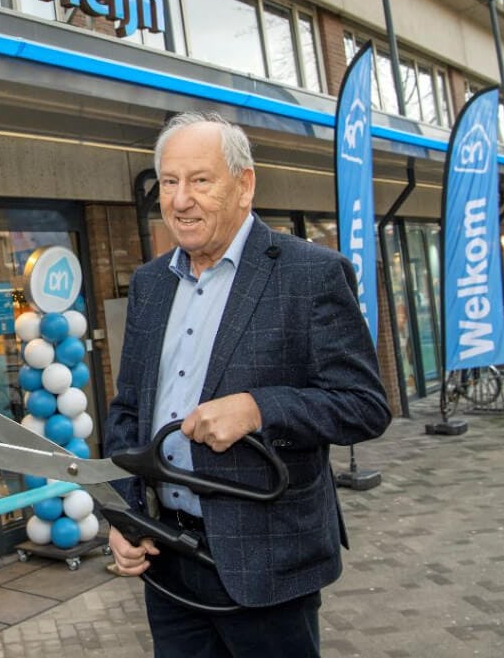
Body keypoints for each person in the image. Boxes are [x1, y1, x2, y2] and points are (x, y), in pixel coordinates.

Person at [104, 111, 392, 657]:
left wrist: (259, 408)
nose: (180, 200)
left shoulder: (310, 274)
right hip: (167, 559)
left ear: (245, 184)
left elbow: (364, 406)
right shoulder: (150, 284)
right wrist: (124, 515)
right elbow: (127, 415)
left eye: (200, 180)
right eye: (169, 182)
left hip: (268, 562)